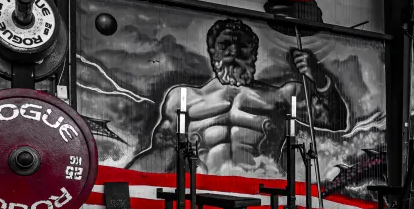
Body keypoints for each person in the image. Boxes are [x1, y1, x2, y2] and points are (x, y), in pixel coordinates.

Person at [129, 18, 348, 172]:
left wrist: (318, 77)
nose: (234, 51)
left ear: (253, 55)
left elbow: (336, 121)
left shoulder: (282, 96)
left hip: (263, 189)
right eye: (225, 44)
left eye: (242, 46)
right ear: (212, 51)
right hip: (205, 194)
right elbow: (162, 153)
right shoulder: (184, 98)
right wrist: (126, 183)